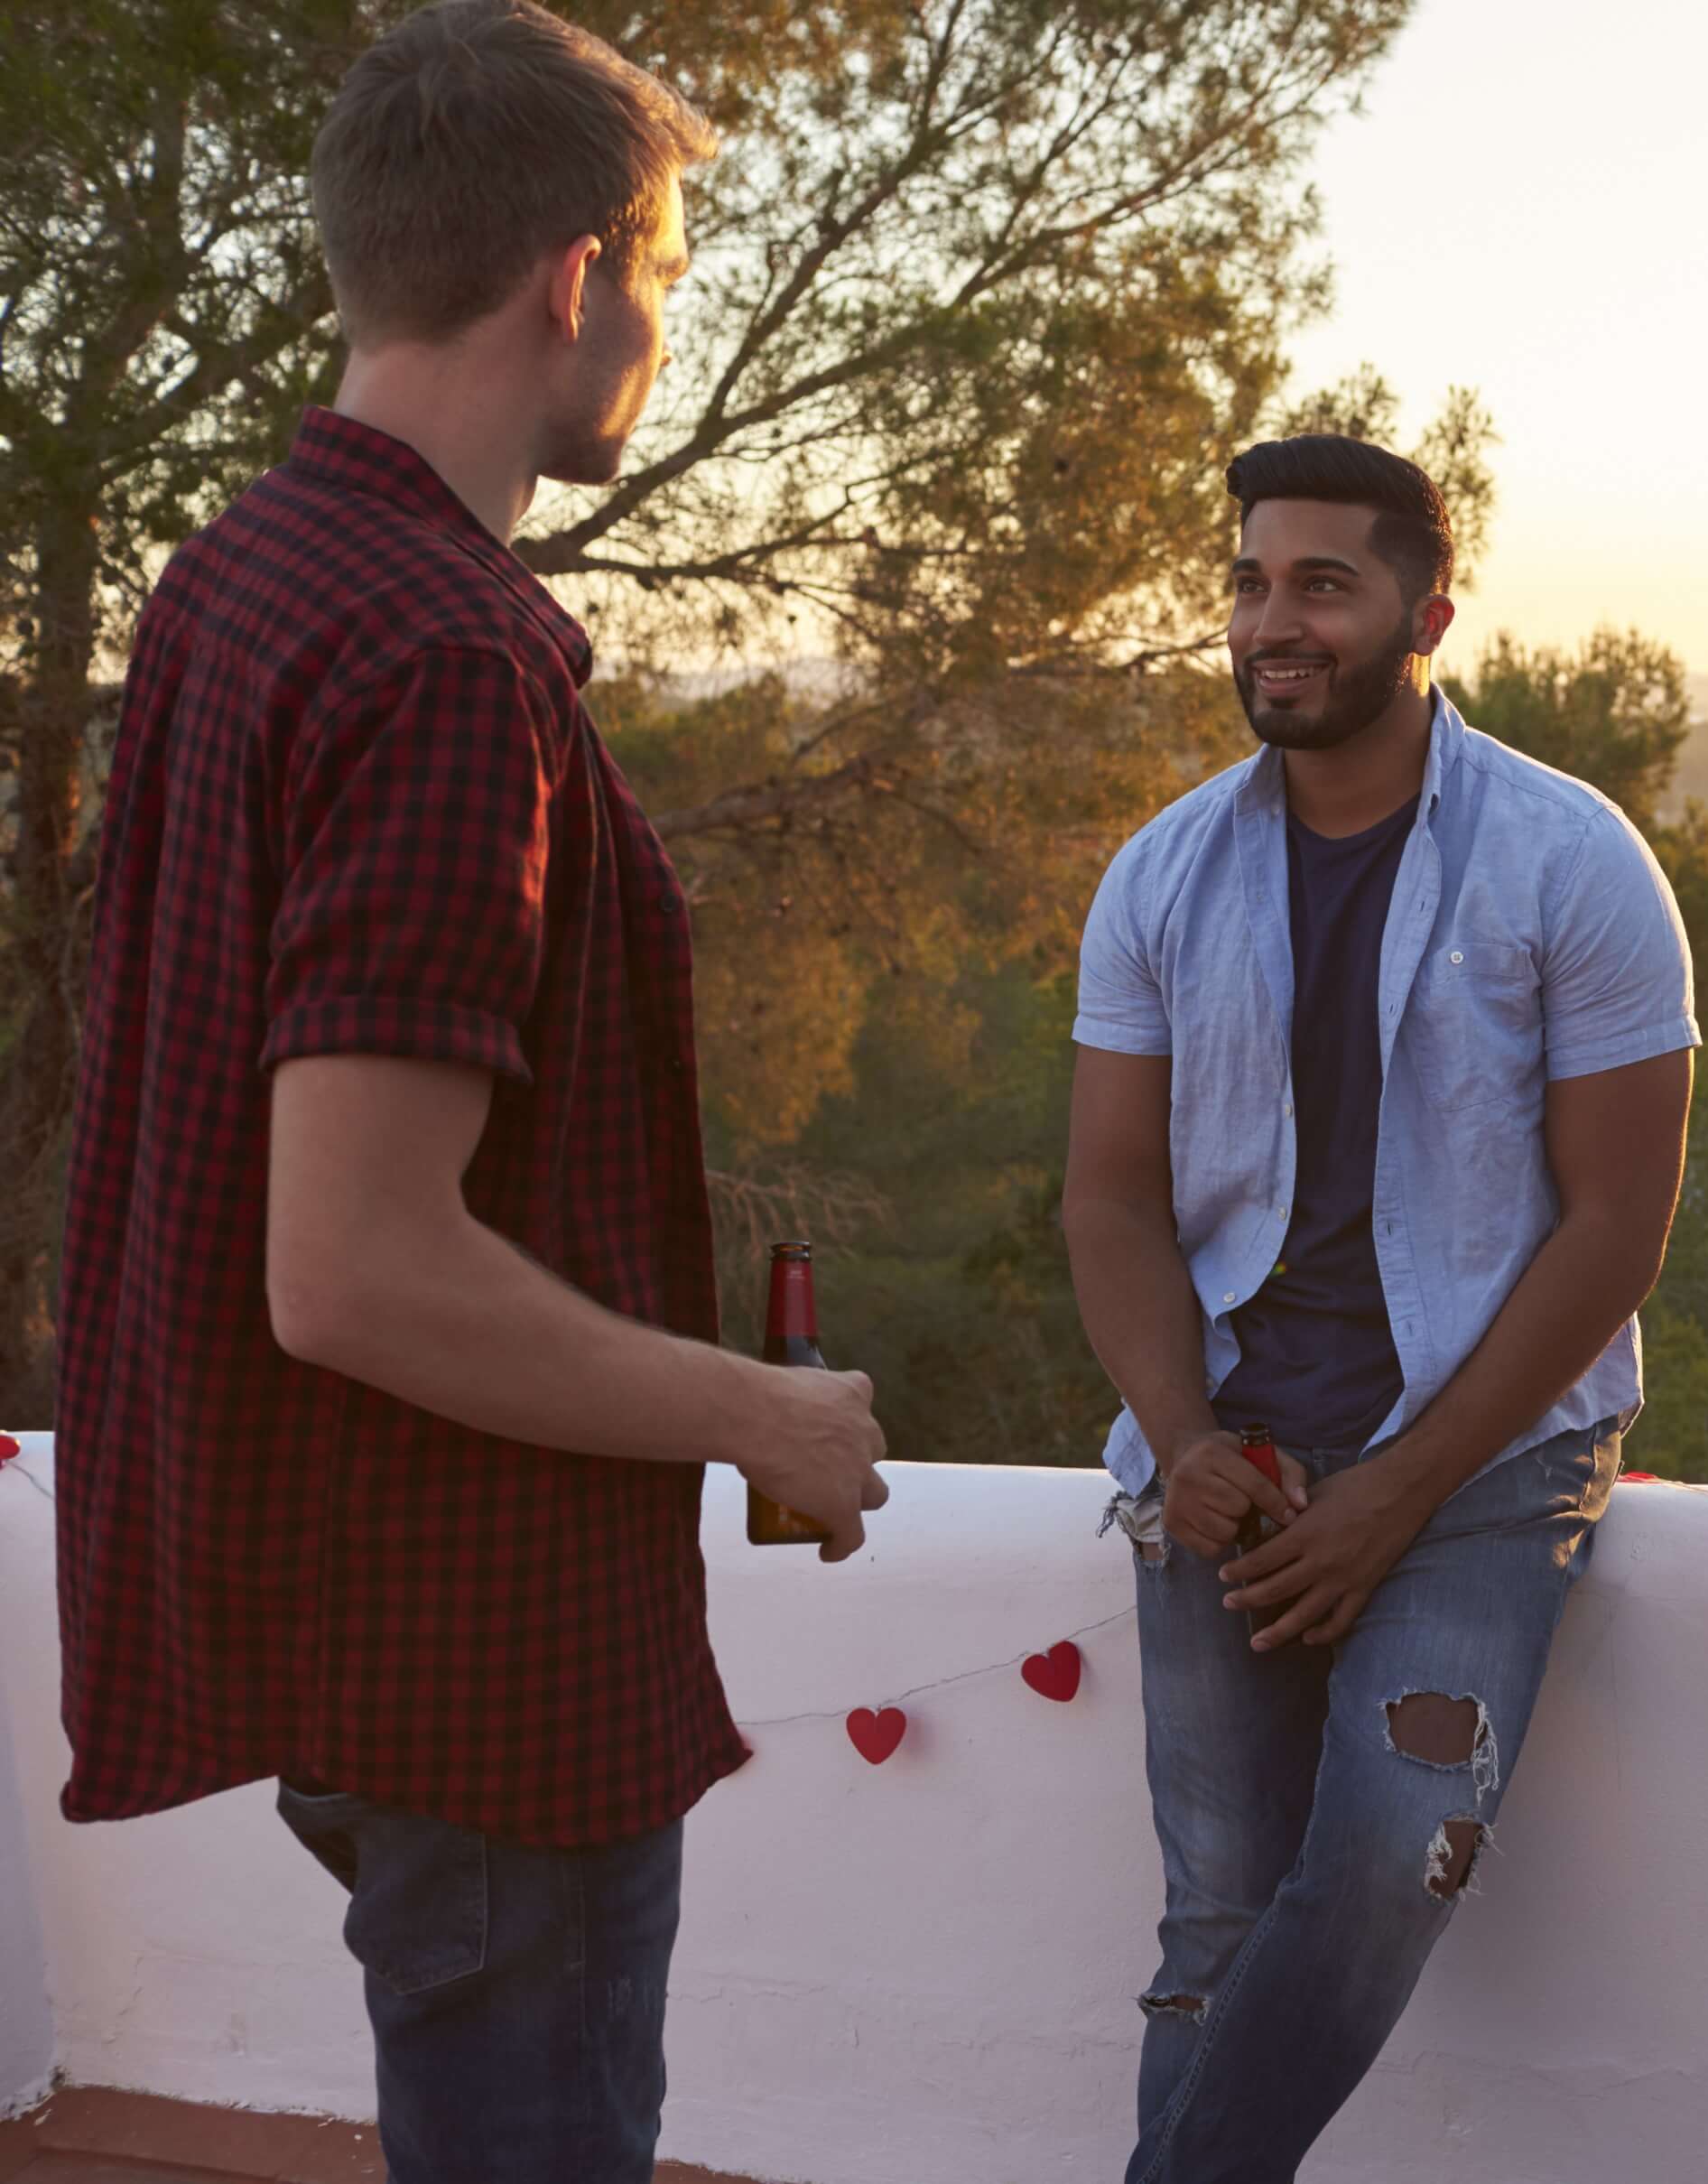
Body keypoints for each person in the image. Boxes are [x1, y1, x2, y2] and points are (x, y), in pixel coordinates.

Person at [51, 6, 888, 2178]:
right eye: (675, 275)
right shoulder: (441, 650)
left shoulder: (242, 573)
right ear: (577, 267)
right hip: (484, 1665)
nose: (665, 329)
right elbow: (355, 1268)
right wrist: (753, 1407)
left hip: (336, 1613)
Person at [1063, 434, 1697, 2181]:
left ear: (1425, 611)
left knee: (1388, 1853)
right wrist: (1184, 1439)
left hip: (1484, 1466)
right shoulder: (1164, 875)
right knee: (1213, 1925)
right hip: (1232, 1458)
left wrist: (1394, 1501)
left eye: (1322, 585)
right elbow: (1109, 1198)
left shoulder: (1576, 863)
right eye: (1253, 583)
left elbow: (1616, 1229)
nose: (1276, 622)